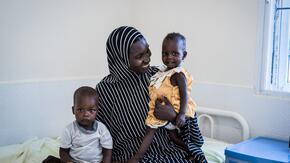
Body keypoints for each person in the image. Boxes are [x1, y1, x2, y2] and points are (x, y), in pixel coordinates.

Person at [96, 26, 205, 163]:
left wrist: (174, 116)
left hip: (170, 152)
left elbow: (189, 112)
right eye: (139, 56)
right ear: (121, 60)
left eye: (148, 51)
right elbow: (97, 134)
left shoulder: (160, 76)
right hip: (129, 156)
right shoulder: (106, 90)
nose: (147, 59)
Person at [128, 33, 207, 163]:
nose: (169, 57)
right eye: (165, 53)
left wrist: (179, 115)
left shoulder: (178, 74)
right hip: (160, 113)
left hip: (177, 111)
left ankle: (193, 153)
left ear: (184, 55)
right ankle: (138, 157)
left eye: (175, 54)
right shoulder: (160, 73)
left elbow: (184, 94)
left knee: (176, 138)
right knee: (169, 136)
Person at [59, 86, 112, 163]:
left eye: (91, 110)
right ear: (73, 110)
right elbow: (63, 151)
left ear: (97, 111)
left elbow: (107, 150)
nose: (86, 114)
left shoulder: (101, 129)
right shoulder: (69, 130)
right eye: (80, 109)